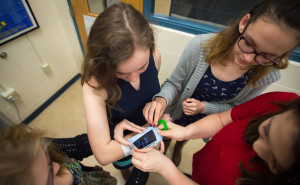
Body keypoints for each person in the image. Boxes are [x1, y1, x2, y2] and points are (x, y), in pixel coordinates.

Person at [143, 0, 300, 166]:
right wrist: (161, 100)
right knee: (167, 133)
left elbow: (237, 109)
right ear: (244, 23)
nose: (248, 58)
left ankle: (179, 148)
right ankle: (168, 144)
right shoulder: (201, 46)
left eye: (266, 56)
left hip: (206, 120)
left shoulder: (267, 75)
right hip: (177, 112)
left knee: (185, 136)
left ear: (280, 56)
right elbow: (175, 84)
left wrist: (205, 107)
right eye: (248, 43)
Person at [130, 91, 300, 185]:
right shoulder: (280, 100)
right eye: (267, 128)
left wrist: (167, 169)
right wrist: (186, 132)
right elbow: (222, 119)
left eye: (274, 163)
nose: (257, 146)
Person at [81, 2, 162, 183]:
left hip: (145, 131)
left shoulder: (155, 56)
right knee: (126, 166)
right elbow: (103, 154)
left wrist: (159, 106)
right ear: (104, 65)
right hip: (120, 140)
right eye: (121, 73)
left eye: (141, 67)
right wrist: (150, 134)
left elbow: (152, 95)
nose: (133, 79)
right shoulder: (94, 86)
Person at [0, 124, 117, 185]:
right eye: (49, 177)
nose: (57, 166)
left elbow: (78, 145)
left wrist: (115, 133)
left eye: (49, 159)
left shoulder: (37, 149)